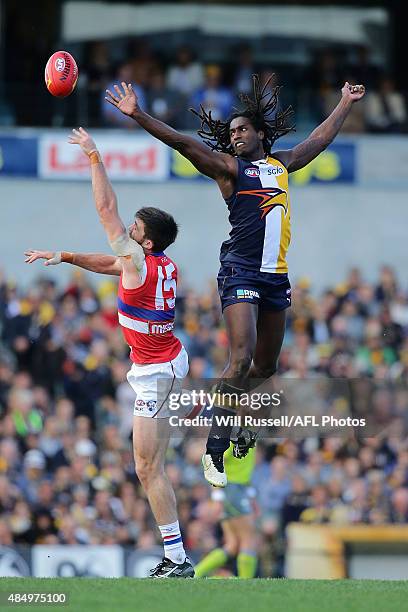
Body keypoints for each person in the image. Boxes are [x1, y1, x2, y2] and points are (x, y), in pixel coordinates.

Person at [105, 74, 366, 488]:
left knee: (266, 367)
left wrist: (345, 103)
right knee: (240, 358)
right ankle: (215, 448)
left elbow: (317, 141)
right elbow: (184, 144)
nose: (237, 135)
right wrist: (139, 114)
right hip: (239, 272)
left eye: (244, 129)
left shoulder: (282, 164)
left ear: (261, 134)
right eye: (232, 132)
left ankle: (244, 425)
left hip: (274, 277)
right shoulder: (230, 170)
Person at [24, 127, 195, 578]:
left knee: (146, 466)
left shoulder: (139, 260)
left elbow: (105, 210)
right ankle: (176, 556)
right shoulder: (155, 263)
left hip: (158, 369)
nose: (127, 231)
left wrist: (95, 156)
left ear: (147, 243)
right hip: (161, 363)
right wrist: (65, 256)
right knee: (148, 465)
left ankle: (177, 559)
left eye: (134, 230)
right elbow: (112, 263)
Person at [194, 443, 258, 579]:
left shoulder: (248, 432)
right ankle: (246, 583)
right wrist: (217, 496)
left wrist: (251, 495)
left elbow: (244, 469)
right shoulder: (233, 434)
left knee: (232, 544)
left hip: (239, 490)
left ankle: (196, 573)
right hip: (232, 490)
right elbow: (213, 459)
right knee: (249, 538)